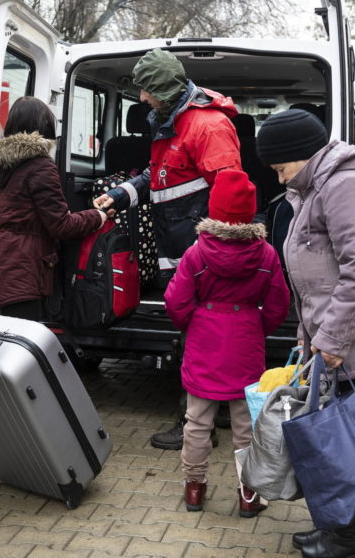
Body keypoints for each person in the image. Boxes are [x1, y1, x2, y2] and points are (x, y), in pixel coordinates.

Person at [256, 109, 355, 558]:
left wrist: (332, 340)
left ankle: (351, 539)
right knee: (336, 431)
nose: (278, 177)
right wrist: (310, 333)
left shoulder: (347, 185)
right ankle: (342, 530)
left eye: (280, 167)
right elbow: (319, 275)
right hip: (340, 334)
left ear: (300, 156)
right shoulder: (317, 186)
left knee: (341, 436)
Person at [94, 48, 242, 450]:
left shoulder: (207, 127)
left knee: (198, 340)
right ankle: (213, 411)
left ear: (164, 88)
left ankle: (194, 425)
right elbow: (157, 176)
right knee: (196, 336)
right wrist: (120, 195)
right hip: (179, 252)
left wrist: (214, 255)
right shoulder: (172, 122)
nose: (141, 99)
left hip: (200, 257)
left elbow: (230, 194)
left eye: (146, 90)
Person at [163, 169, 289, 517]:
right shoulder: (265, 254)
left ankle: (194, 488)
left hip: (205, 341)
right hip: (246, 342)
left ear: (213, 209)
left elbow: (176, 303)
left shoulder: (197, 253)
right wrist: (255, 325)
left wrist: (195, 322)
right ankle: (248, 493)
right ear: (250, 212)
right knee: (247, 425)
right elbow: (279, 304)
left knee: (197, 422)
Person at [0, 96, 106, 320]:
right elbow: (61, 225)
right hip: (24, 268)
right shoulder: (40, 166)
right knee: (22, 346)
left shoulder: (5, 165)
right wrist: (98, 216)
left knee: (8, 342)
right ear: (44, 126)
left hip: (2, 261)